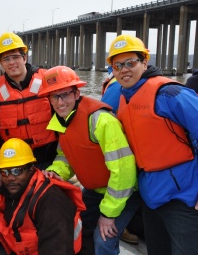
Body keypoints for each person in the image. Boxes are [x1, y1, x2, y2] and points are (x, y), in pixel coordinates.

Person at [107, 34, 198, 255]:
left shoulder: (169, 93)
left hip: (183, 198)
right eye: (117, 65)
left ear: (145, 62)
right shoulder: (122, 96)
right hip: (150, 196)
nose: (124, 69)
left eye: (131, 62)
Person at [38, 66, 140, 255]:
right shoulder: (62, 121)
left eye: (65, 95)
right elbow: (65, 156)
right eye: (54, 96)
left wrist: (108, 214)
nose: (60, 102)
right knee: (76, 227)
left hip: (123, 192)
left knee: (104, 240)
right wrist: (56, 171)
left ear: (77, 93)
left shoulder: (101, 121)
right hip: (95, 190)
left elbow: (123, 170)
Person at [0, 138, 85, 255]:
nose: (10, 178)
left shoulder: (50, 201)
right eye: (5, 172)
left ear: (31, 169)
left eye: (17, 171)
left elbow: (57, 249)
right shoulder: (10, 193)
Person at [0, 32, 58, 171]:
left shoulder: (47, 82)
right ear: (1, 63)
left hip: (50, 158)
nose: (11, 62)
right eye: (6, 59)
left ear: (25, 57)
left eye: (15, 57)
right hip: (16, 164)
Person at [100, 66, 141, 245]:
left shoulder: (114, 87)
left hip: (127, 160)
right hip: (131, 157)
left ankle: (121, 225)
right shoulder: (120, 87)